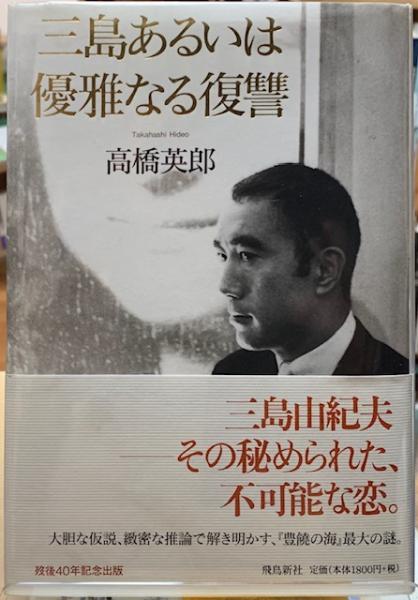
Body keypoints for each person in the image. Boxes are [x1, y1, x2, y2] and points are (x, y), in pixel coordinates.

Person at [212, 163, 409, 375]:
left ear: (324, 271)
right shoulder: (231, 372)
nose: (225, 286)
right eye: (223, 255)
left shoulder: (395, 378)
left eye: (247, 255)